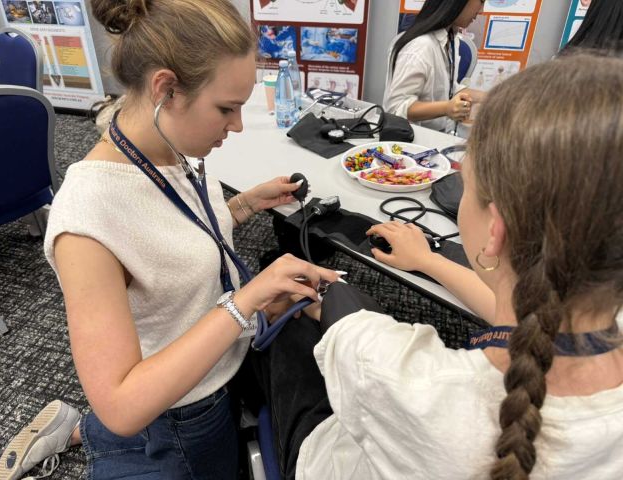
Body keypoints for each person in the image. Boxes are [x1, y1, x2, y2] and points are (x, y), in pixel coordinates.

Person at [0, 1, 337, 479]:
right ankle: (98, 440)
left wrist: (243, 205)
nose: (237, 125)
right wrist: (247, 300)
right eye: (227, 108)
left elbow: (168, 242)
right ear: (165, 89)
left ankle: (79, 430)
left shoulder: (167, 149)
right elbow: (121, 404)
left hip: (219, 367)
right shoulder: (88, 217)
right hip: (180, 414)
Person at [258, 53, 623, 479]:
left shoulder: (403, 376)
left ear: (495, 231)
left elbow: (354, 340)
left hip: (333, 460)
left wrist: (336, 306)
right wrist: (428, 261)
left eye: (465, 186)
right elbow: (523, 309)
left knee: (290, 330)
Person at [383, 0, 486, 133]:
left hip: (438, 133)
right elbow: (396, 108)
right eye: (481, 1)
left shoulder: (451, 38)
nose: (481, 10)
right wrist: (446, 108)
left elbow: (448, 89)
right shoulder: (420, 47)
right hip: (413, 137)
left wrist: (491, 98)